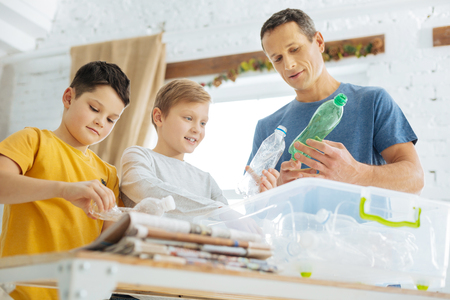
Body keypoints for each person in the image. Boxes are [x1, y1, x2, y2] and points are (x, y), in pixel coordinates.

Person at [247, 8, 424, 194]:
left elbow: (415, 178)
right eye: (277, 58)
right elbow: (252, 208)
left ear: (319, 42)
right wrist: (279, 188)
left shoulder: (372, 102)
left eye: (294, 49)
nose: (288, 64)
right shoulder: (268, 129)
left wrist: (356, 173)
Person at [0, 61, 131, 300]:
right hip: (18, 292)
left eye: (112, 119)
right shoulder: (33, 140)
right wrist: (63, 189)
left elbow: (108, 246)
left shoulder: (109, 174)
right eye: (94, 108)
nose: (101, 122)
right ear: (69, 98)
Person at [120, 79, 278, 223]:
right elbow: (146, 189)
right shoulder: (138, 156)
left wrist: (260, 204)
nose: (197, 129)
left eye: (203, 123)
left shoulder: (207, 181)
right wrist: (216, 209)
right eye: (188, 118)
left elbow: (229, 225)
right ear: (159, 117)